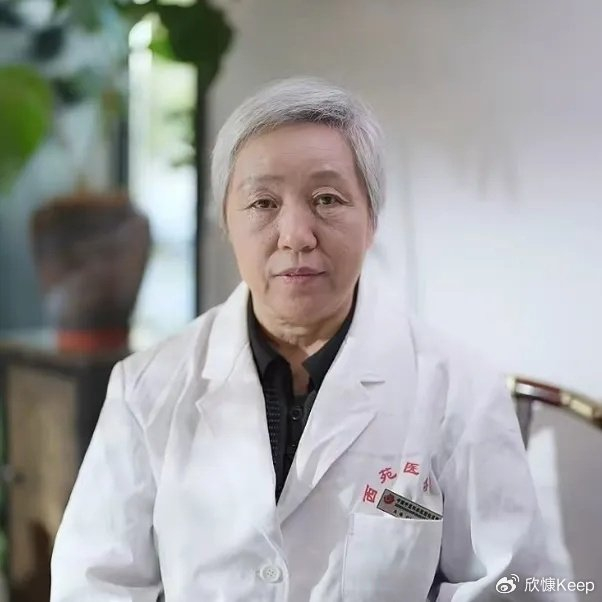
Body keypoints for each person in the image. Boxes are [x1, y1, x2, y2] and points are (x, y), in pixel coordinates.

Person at [51, 77, 561, 601]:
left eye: (327, 199)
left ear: (372, 219)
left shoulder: (458, 389)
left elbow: (519, 586)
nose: (296, 234)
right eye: (263, 202)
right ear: (225, 221)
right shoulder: (146, 387)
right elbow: (92, 584)